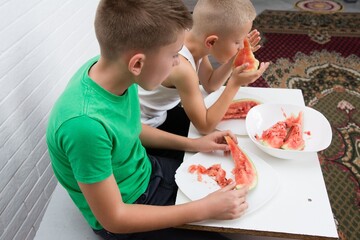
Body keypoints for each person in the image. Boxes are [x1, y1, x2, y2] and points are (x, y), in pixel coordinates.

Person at [46, 1, 249, 240]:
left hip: (147, 171)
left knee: (234, 186)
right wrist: (204, 209)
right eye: (174, 55)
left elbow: (131, 130)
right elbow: (114, 218)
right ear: (138, 63)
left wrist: (195, 144)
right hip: (128, 212)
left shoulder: (114, 74)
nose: (177, 63)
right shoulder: (84, 126)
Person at [139, 0, 270, 146]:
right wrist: (234, 83)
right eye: (237, 42)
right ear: (212, 42)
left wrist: (235, 57)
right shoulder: (182, 68)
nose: (241, 47)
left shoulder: (194, 40)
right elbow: (205, 127)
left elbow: (210, 84)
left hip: (158, 116)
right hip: (138, 128)